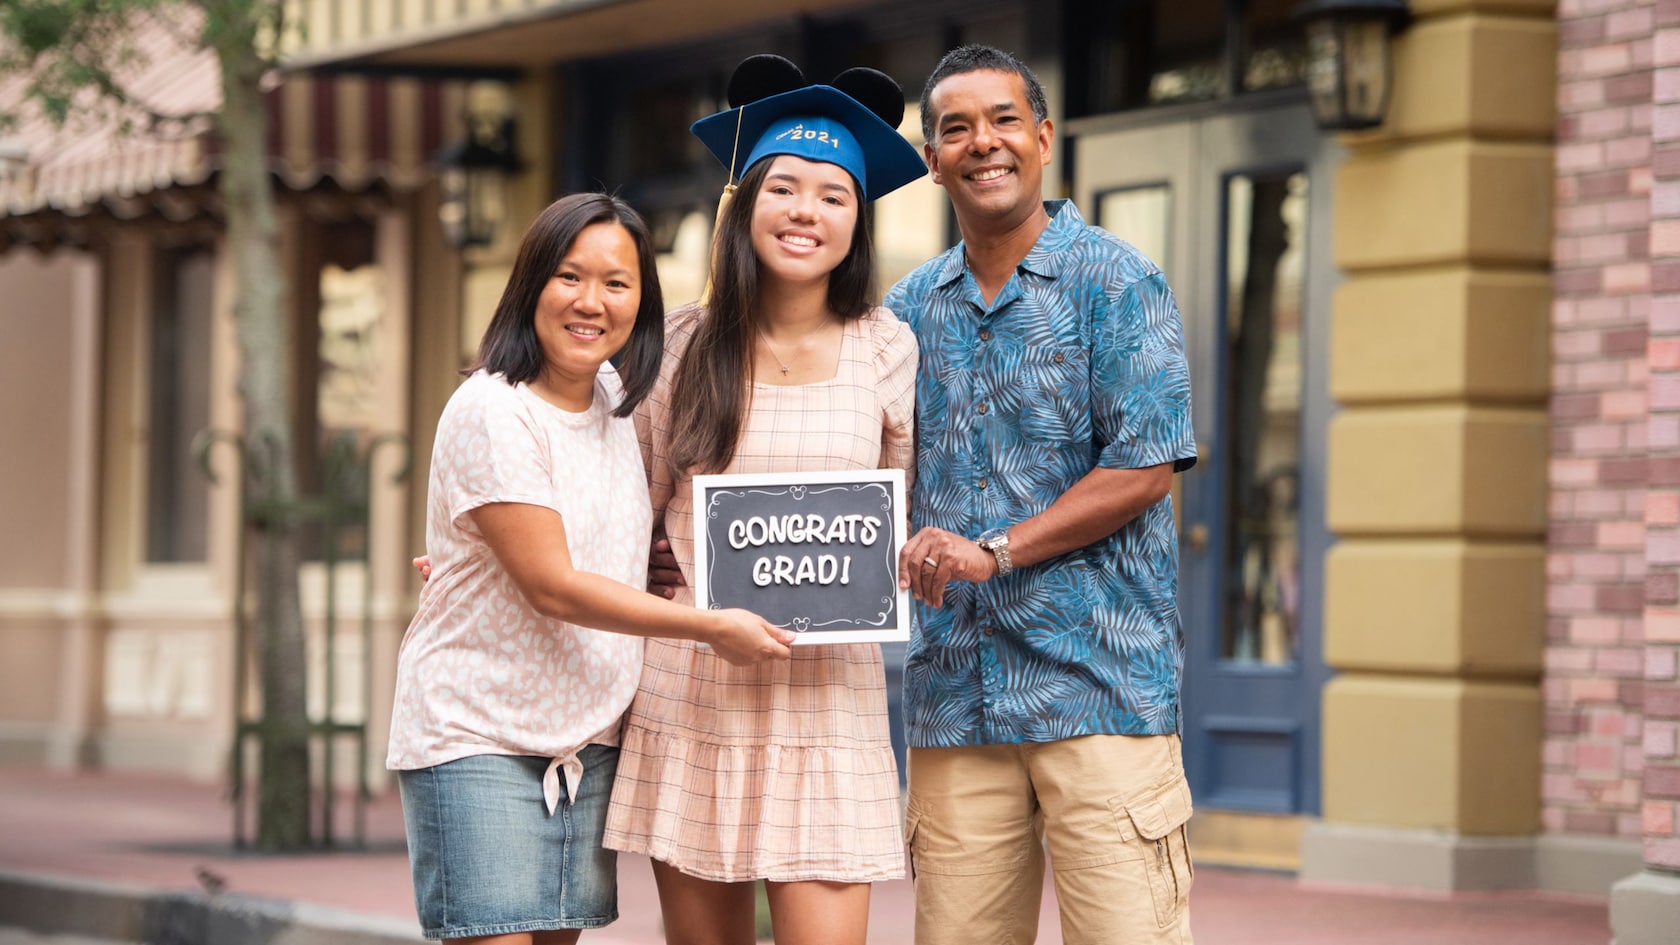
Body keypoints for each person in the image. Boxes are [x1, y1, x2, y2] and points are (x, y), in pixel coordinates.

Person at [389, 192, 795, 945]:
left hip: (587, 741)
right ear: (531, 283)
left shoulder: (616, 399)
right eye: (570, 277)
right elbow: (552, 583)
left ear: (642, 303)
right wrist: (709, 624)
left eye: (617, 283)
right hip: (481, 735)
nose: (591, 302)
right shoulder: (493, 409)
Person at [601, 56, 927, 945]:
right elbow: (618, 511)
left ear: (856, 223)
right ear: (745, 206)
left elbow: (901, 507)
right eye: (783, 187)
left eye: (833, 196)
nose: (805, 212)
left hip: (828, 697)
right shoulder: (679, 348)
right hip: (696, 686)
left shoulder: (887, 349)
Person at [885, 45, 1199, 945]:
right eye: (956, 128)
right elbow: (869, 474)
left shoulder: (1119, 281)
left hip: (1099, 693)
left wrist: (998, 549)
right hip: (957, 701)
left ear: (1044, 138)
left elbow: (1143, 467)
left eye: (1003, 121)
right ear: (934, 158)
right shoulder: (905, 311)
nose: (983, 143)